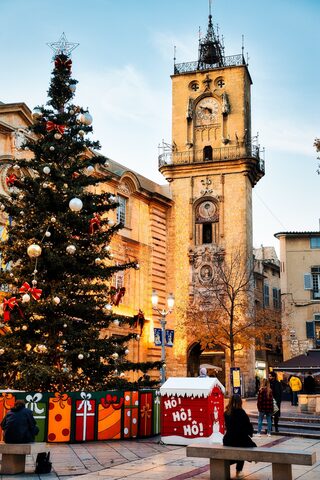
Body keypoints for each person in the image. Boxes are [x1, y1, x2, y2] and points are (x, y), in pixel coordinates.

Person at [223, 394, 256, 479]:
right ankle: (239, 470)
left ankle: (230, 464)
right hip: (239, 439)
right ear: (240, 402)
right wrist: (250, 432)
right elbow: (247, 426)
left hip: (228, 439)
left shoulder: (226, 413)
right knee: (245, 448)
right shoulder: (241, 412)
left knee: (241, 447)